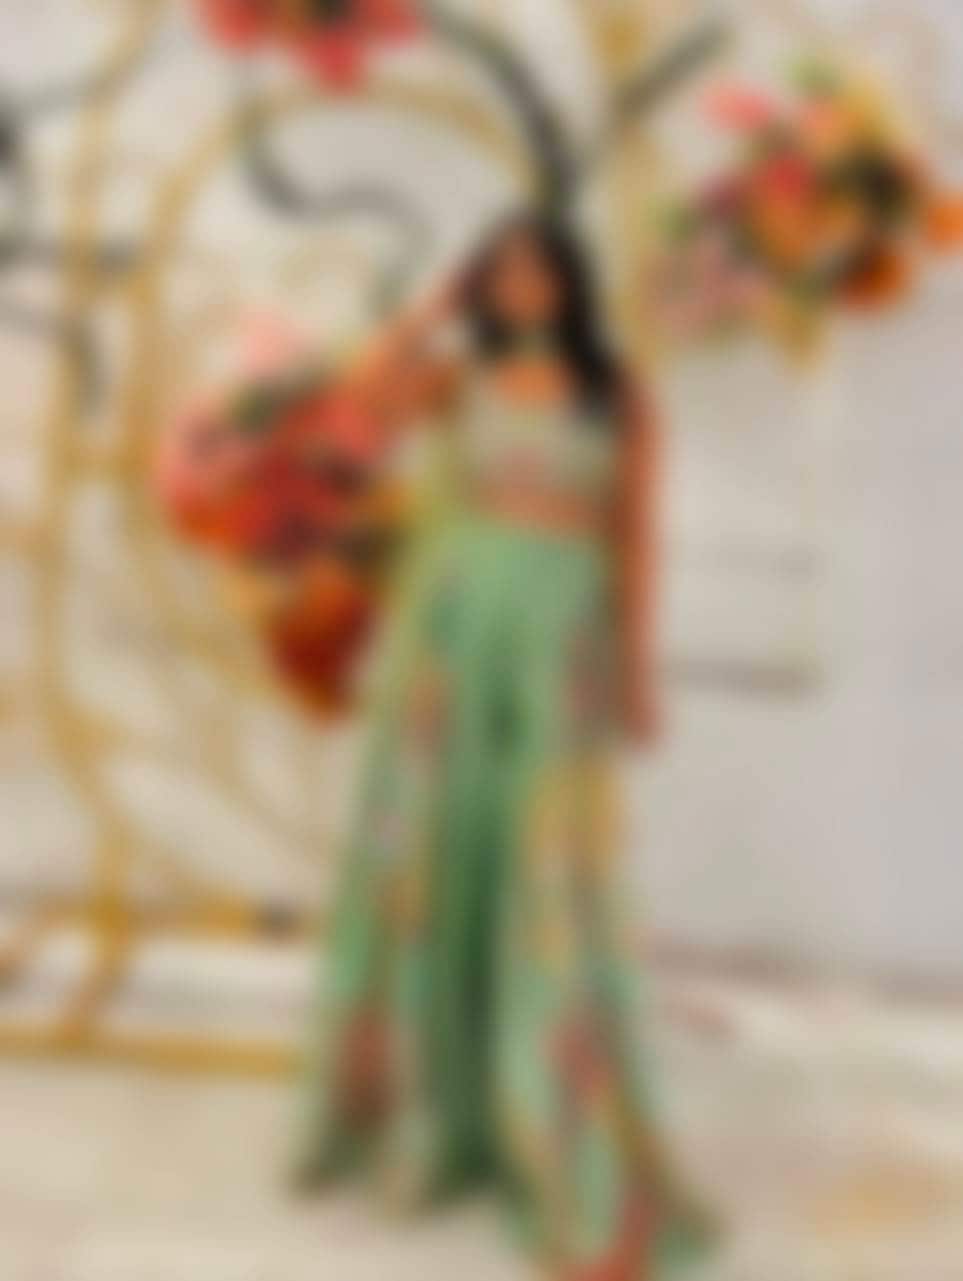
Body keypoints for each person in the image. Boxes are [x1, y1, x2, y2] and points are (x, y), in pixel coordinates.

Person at [293, 210, 712, 1279]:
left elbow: (637, 536)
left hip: (558, 637)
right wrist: (431, 308)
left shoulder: (619, 395)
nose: (522, 289)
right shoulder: (456, 378)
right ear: (484, 286)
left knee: (548, 870)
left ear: (571, 281)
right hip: (453, 628)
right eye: (502, 274)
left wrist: (637, 669)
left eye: (539, 271)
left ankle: (545, 1110)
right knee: (435, 854)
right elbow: (360, 402)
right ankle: (432, 1107)